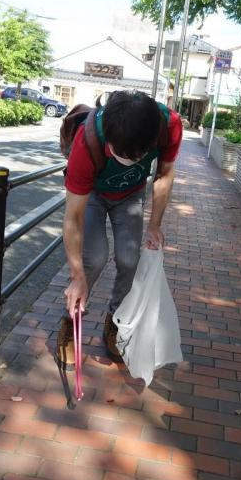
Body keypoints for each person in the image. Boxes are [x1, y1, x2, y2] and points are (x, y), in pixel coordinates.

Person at [61, 90, 183, 365]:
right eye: (120, 153)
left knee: (129, 261)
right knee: (93, 258)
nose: (128, 158)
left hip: (130, 195)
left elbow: (164, 174)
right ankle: (72, 320)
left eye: (137, 155)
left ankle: (113, 323)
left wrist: (155, 224)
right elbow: (73, 218)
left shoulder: (169, 125)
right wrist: (76, 275)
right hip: (92, 195)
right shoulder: (88, 140)